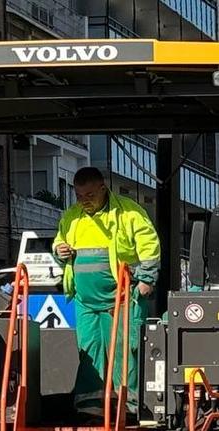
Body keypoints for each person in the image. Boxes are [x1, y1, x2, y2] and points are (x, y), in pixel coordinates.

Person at [52, 167, 160, 417]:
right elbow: (59, 241)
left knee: (123, 349)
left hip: (122, 295)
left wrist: (146, 279)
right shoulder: (72, 216)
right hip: (86, 299)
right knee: (89, 349)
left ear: (103, 189)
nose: (84, 201)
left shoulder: (129, 213)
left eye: (89, 195)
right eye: (79, 196)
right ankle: (93, 404)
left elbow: (149, 246)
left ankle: (130, 405)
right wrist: (60, 251)